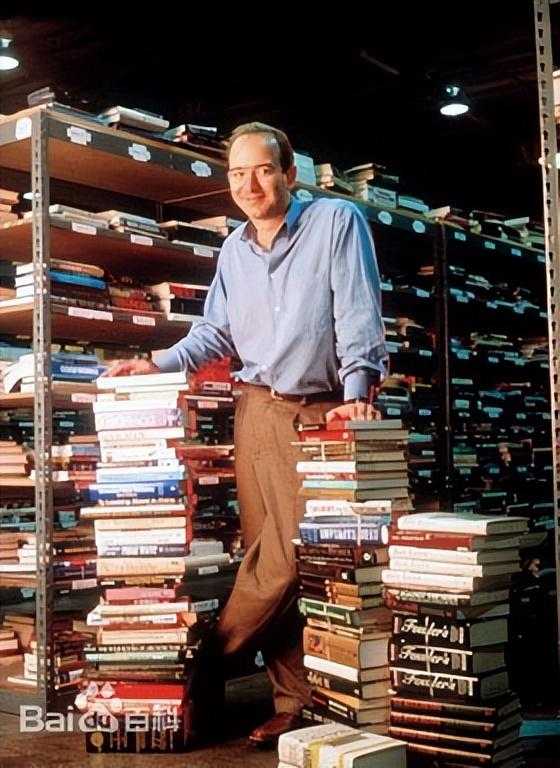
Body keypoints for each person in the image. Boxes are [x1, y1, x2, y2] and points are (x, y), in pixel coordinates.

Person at [104, 122, 388, 745]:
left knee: (290, 562)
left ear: (289, 173)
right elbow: (216, 333)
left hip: (320, 412)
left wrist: (357, 394)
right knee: (266, 553)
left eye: (261, 170)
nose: (249, 185)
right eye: (237, 174)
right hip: (255, 411)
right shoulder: (233, 249)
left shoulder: (336, 222)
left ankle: (197, 666)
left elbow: (357, 310)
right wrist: (156, 362)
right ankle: (296, 700)